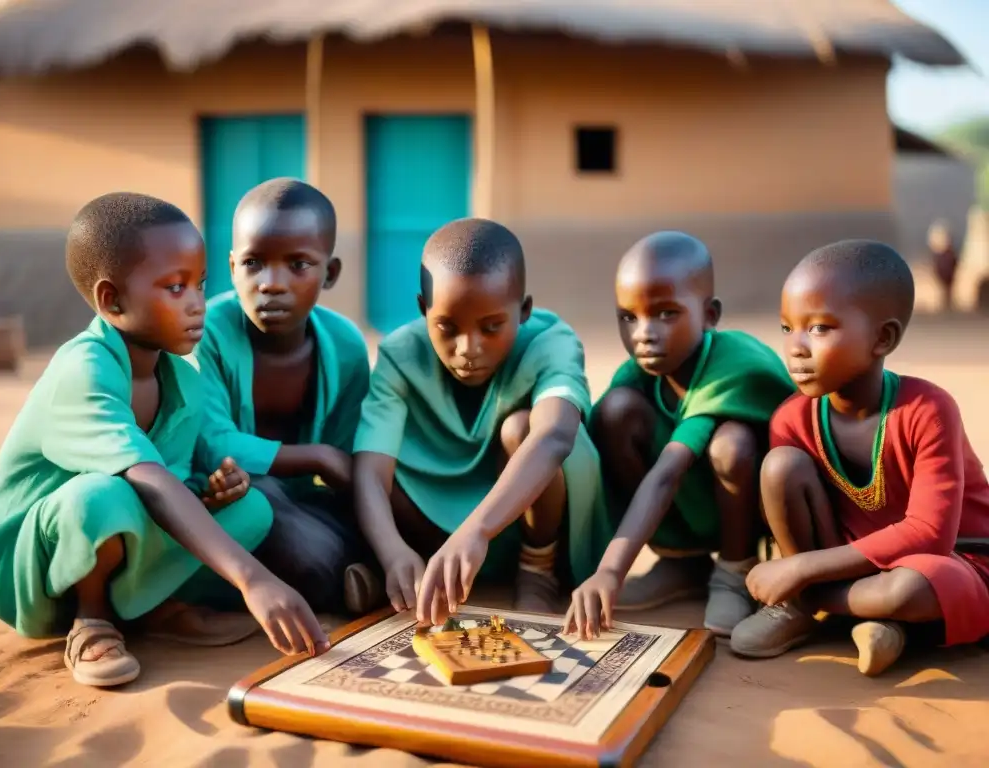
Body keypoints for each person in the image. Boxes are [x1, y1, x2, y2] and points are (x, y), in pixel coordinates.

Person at [0, 192, 329, 688]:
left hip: (125, 538)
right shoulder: (84, 369)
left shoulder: (181, 377)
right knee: (102, 493)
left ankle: (150, 608)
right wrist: (254, 579)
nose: (198, 304)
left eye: (201, 285)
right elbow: (148, 479)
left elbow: (190, 470)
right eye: (176, 287)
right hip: (32, 574)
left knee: (253, 510)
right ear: (112, 300)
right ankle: (92, 621)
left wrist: (217, 484)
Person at [732, 239, 989, 676]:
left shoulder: (927, 409)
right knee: (780, 466)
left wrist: (800, 570)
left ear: (882, 337)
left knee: (908, 589)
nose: (795, 347)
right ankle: (872, 625)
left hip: (956, 558)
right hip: (850, 561)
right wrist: (801, 562)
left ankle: (814, 604)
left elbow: (930, 535)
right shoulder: (793, 418)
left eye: (818, 328)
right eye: (786, 327)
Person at [352, 217, 612, 624]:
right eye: (447, 327)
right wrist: (392, 550)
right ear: (423, 310)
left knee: (521, 429)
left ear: (524, 310)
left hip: (516, 521)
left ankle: (536, 569)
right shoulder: (400, 354)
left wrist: (476, 531)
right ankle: (405, 569)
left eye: (491, 327)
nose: (468, 349)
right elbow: (371, 468)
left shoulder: (552, 341)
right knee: (345, 465)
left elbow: (555, 435)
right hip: (442, 528)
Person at [564, 232, 795, 640]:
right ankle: (682, 562)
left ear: (710, 314)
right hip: (687, 503)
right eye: (628, 317)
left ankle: (734, 570)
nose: (643, 334)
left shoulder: (735, 364)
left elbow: (668, 472)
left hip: (751, 507)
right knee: (616, 412)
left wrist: (609, 572)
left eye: (666, 314)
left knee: (731, 444)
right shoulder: (639, 375)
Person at [194, 177, 381, 615]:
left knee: (382, 508)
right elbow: (211, 441)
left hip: (303, 502)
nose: (272, 284)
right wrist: (315, 457)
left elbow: (353, 455)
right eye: (254, 263)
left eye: (298, 265)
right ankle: (345, 578)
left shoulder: (345, 345)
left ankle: (354, 571)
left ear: (329, 273)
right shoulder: (206, 335)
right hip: (225, 498)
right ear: (232, 266)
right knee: (275, 518)